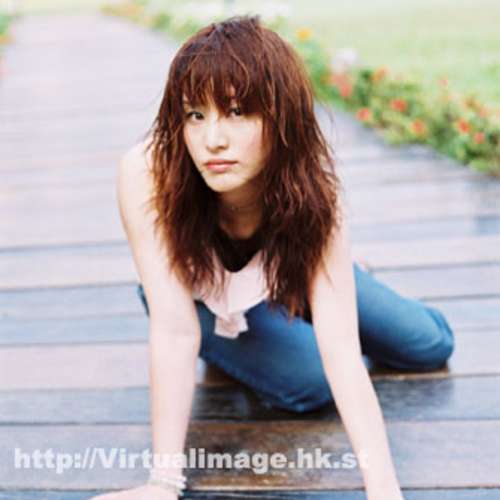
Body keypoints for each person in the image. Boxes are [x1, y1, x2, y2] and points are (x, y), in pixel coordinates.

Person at [91, 14, 454, 500]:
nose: (212, 139)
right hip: (201, 294)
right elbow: (175, 331)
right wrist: (164, 483)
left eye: (237, 112)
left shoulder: (314, 190)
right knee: (310, 382)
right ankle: (282, 311)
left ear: (282, 117)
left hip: (287, 266)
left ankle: (316, 287)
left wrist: (384, 489)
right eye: (195, 114)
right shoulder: (145, 172)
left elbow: (343, 350)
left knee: (428, 344)